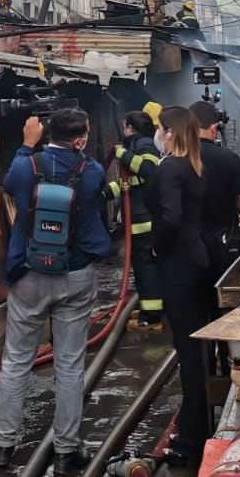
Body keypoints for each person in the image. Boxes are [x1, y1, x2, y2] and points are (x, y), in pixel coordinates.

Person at [0, 107, 111, 476]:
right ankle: (65, 450)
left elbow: (11, 186)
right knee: (70, 364)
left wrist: (27, 146)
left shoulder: (27, 166)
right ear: (80, 139)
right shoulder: (91, 171)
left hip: (29, 273)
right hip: (75, 274)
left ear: (47, 133)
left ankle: (2, 447)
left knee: (15, 361)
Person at [152, 105, 214, 464]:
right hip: (198, 258)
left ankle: (192, 440)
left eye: (162, 129)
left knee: (188, 351)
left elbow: (171, 217)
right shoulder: (196, 166)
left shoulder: (173, 168)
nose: (159, 135)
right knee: (196, 349)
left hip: (180, 263)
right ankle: (197, 426)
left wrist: (158, 243)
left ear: (170, 132)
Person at [190, 101, 240, 278]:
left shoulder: (175, 159)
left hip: (187, 249)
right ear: (214, 128)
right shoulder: (228, 159)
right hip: (223, 246)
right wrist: (228, 203)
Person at [108, 109, 163, 330]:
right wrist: (106, 192)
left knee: (146, 268)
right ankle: (150, 307)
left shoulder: (144, 144)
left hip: (144, 223)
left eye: (125, 127)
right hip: (139, 221)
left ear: (130, 128)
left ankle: (152, 314)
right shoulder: (138, 145)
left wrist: (122, 155)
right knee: (143, 268)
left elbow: (148, 170)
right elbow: (132, 182)